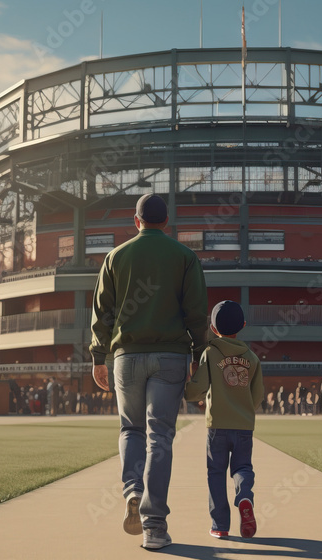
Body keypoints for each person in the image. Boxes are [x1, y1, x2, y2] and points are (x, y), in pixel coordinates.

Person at [90, 193, 209, 550]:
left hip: (127, 357)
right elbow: (197, 313)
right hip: (171, 356)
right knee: (161, 436)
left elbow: (102, 313)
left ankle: (132, 489)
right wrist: (198, 355)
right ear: (166, 222)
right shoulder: (185, 258)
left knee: (131, 428)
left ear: (136, 220)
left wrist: (98, 357)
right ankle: (154, 525)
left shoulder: (115, 257)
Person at [185, 300, 263, 539]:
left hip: (217, 426)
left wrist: (190, 384)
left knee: (216, 473)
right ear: (243, 325)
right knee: (242, 467)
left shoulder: (211, 352)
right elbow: (257, 396)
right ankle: (244, 496)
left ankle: (220, 525)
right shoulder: (252, 357)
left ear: (213, 328)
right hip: (243, 427)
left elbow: (196, 390)